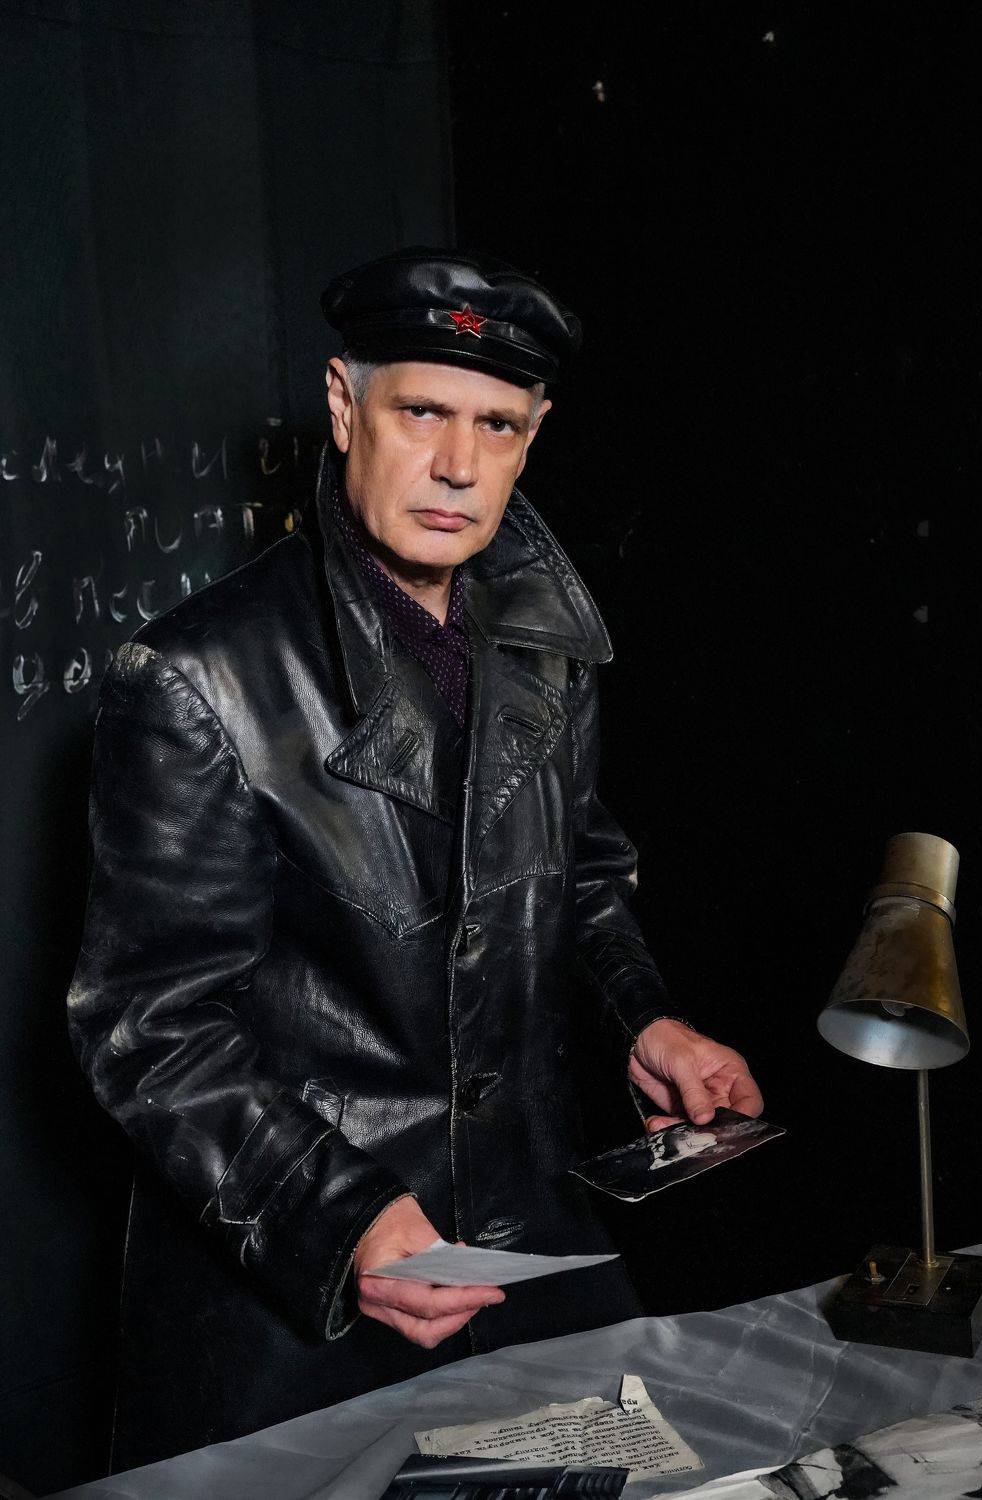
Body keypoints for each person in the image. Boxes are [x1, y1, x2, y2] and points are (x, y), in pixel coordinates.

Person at [67, 246, 763, 1470]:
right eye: (423, 412)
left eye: (496, 425)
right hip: (305, 1297)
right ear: (346, 407)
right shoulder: (196, 679)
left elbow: (580, 875)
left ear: (533, 438)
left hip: (531, 1251)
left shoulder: (547, 644)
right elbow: (149, 1029)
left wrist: (642, 1019)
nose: (457, 464)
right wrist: (336, 1216)